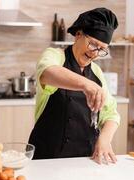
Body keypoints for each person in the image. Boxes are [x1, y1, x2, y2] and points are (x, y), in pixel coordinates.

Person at [29, 7, 120, 164]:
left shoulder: (97, 73)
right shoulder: (55, 56)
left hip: (85, 158)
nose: (95, 53)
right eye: (93, 44)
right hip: (47, 158)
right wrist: (86, 85)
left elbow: (111, 114)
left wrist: (105, 139)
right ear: (78, 34)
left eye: (102, 50)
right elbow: (47, 72)